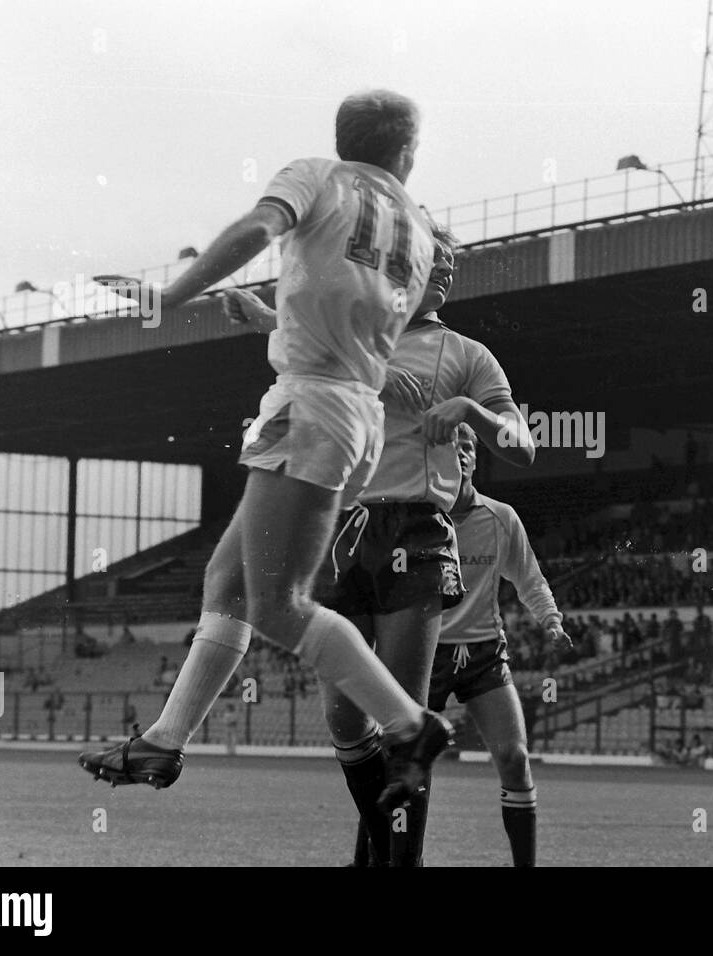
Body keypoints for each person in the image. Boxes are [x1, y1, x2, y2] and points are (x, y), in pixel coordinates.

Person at [78, 89, 452, 812]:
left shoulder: (318, 175)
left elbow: (257, 229)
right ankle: (164, 740)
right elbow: (349, 317)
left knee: (280, 607)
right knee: (226, 584)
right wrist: (269, 318)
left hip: (309, 407)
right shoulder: (419, 229)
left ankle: (410, 727)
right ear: (406, 153)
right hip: (347, 409)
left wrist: (170, 297)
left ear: (343, 139)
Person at [229, 224, 535, 868]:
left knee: (403, 719)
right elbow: (308, 349)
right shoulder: (355, 333)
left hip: (416, 534)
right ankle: (381, 855)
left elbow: (522, 442)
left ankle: (400, 864)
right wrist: (263, 317)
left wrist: (470, 411)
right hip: (343, 530)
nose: (446, 274)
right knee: (345, 721)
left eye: (453, 267)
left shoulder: (468, 354)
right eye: (436, 264)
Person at [416, 424, 566, 866]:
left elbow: (529, 578)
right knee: (406, 766)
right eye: (452, 447)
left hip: (483, 653)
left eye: (468, 448)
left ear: (476, 460)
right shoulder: (418, 519)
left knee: (515, 757)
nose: (461, 454)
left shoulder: (501, 518)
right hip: (426, 655)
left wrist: (551, 620)